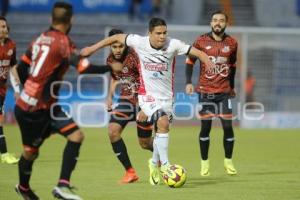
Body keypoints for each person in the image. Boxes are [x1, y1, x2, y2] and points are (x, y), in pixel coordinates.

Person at [80, 17, 214, 185]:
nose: (162, 36)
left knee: (153, 138)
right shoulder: (139, 43)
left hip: (166, 98)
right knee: (155, 123)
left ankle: (154, 162)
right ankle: (163, 167)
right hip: (143, 97)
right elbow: (115, 45)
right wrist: (92, 49)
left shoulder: (172, 45)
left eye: (165, 33)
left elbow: (197, 52)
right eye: (158, 33)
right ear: (149, 33)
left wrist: (207, 59)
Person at [13, 2, 119, 200]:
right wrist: (110, 68)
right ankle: (24, 188)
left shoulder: (39, 39)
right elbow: (84, 68)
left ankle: (61, 185)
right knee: (31, 152)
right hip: (36, 110)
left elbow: (21, 68)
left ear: (51, 19)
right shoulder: (62, 42)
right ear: (71, 20)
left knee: (74, 136)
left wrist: (26, 90)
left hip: (37, 105)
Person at [185, 10, 238, 176]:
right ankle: (204, 163)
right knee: (205, 128)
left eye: (221, 20)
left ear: (226, 23)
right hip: (205, 91)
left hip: (223, 92)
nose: (218, 23)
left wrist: (232, 86)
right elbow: (189, 61)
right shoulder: (200, 41)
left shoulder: (232, 43)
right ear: (210, 23)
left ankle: (228, 161)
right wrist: (188, 82)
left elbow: (233, 67)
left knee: (228, 127)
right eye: (215, 20)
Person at [106, 28, 153, 184]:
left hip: (144, 102)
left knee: (145, 144)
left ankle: (162, 158)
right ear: (110, 46)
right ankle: (130, 172)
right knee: (113, 131)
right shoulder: (110, 60)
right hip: (126, 100)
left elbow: (150, 78)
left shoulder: (136, 56)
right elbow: (115, 78)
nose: (117, 50)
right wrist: (110, 98)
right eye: (114, 47)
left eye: (120, 46)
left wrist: (145, 102)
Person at [0, 16, 19, 164]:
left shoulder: (11, 45)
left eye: (5, 26)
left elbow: (12, 65)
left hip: (2, 90)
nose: (4, 29)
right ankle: (4, 154)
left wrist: (17, 85)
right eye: (1, 27)